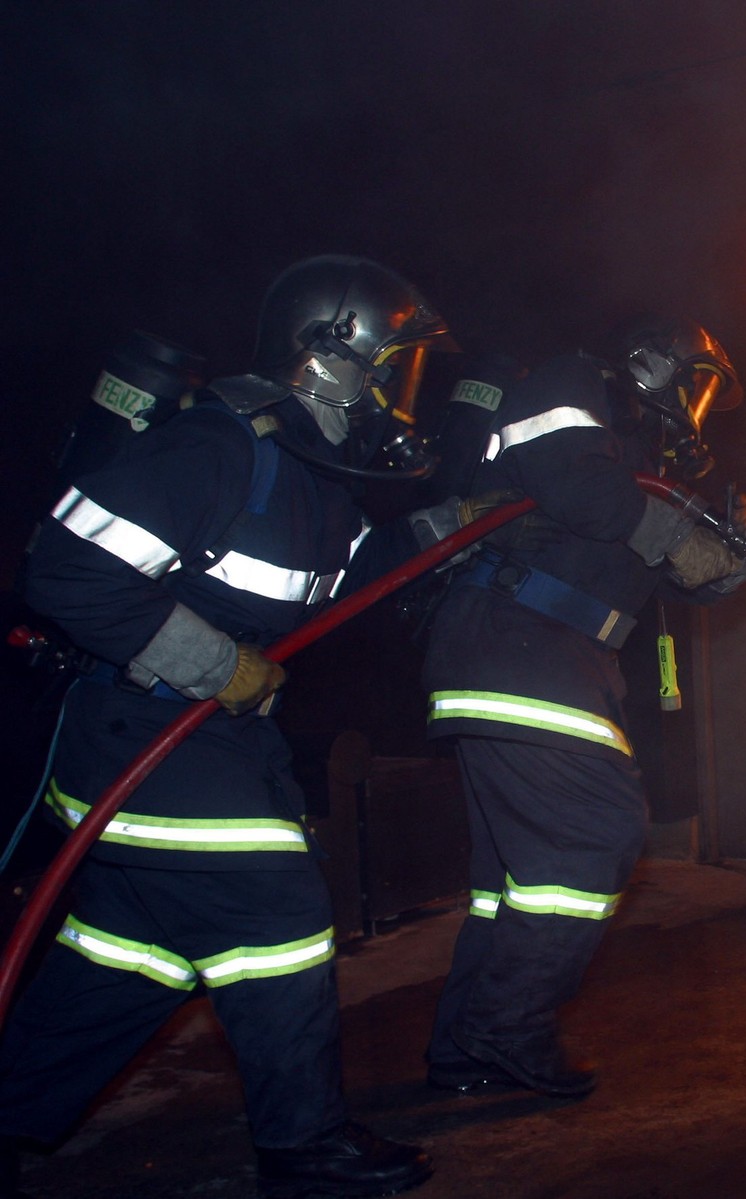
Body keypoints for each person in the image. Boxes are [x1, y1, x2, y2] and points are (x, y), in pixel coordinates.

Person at [0, 255, 486, 1199]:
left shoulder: (318, 479)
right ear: (327, 358)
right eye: (392, 363)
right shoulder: (217, 448)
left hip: (213, 739)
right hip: (142, 737)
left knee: (129, 952)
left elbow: (351, 580)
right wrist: (219, 665)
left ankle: (10, 1111)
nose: (400, 388)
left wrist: (445, 527)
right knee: (278, 915)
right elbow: (65, 568)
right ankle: (302, 1145)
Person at [420, 318, 746, 1098]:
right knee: (596, 833)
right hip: (517, 640)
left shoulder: (641, 462)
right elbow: (572, 480)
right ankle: (506, 1027)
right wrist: (676, 533)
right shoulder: (573, 383)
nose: (698, 405)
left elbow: (683, 573)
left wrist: (733, 558)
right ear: (652, 363)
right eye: (697, 380)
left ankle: (463, 1049)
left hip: (551, 653)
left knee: (508, 881)